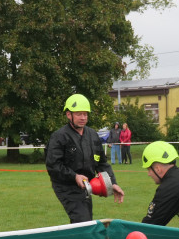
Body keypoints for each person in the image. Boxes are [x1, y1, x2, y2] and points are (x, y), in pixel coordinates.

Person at [45, 94, 125, 223]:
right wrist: (74, 176)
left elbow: (102, 164)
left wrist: (112, 183)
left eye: (85, 114)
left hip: (87, 186)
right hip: (66, 186)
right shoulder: (59, 137)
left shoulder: (92, 135)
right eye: (79, 114)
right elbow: (53, 165)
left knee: (86, 221)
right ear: (68, 115)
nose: (83, 118)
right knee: (82, 220)